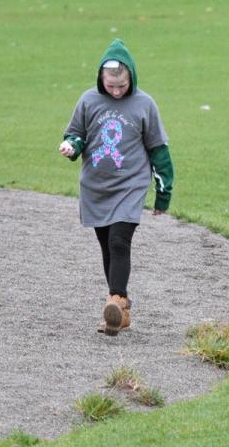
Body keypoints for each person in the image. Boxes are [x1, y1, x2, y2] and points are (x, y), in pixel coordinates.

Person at [58, 39, 174, 336]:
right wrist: (71, 146)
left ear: (131, 77)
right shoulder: (88, 101)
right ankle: (121, 312)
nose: (117, 91)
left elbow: (159, 150)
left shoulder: (144, 104)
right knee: (106, 245)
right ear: (101, 79)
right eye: (111, 86)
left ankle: (116, 302)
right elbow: (76, 134)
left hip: (130, 186)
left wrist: (163, 193)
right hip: (96, 188)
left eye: (122, 85)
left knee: (119, 242)